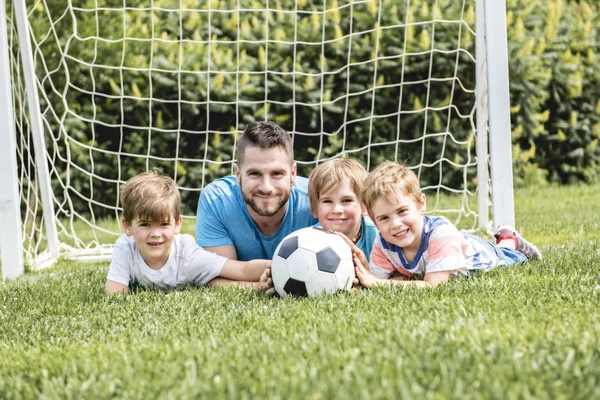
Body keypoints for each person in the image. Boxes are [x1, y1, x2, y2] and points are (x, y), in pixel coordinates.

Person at [339, 161, 542, 288]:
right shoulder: (383, 243)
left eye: (402, 211)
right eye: (384, 218)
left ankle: (509, 240)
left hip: (484, 256)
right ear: (374, 221)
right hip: (450, 248)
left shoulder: (441, 234)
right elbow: (374, 280)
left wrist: (383, 284)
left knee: (508, 256)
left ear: (421, 204)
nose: (396, 224)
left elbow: (434, 285)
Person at [105, 171, 273, 294]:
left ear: (177, 224)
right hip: (196, 276)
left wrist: (277, 267)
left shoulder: (189, 256)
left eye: (164, 224)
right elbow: (114, 295)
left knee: (213, 283)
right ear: (127, 226)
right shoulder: (125, 248)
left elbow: (241, 270)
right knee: (211, 284)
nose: (155, 233)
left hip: (192, 269)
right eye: (145, 224)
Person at [196, 121, 318, 261]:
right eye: (255, 173)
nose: (266, 187)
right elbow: (217, 274)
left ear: (293, 174)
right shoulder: (217, 200)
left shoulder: (317, 199)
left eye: (277, 173)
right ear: (237, 174)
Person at [308, 158, 378, 261]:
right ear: (315, 209)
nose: (337, 210)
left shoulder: (376, 236)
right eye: (327, 201)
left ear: (364, 205)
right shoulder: (307, 241)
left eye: (346, 200)